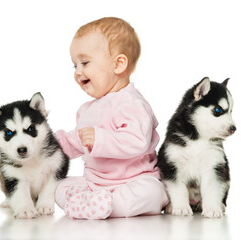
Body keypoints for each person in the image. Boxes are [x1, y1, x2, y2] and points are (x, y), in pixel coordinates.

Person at [55, 17, 169, 220]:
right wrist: (51, 144)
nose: (77, 72)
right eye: (74, 66)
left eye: (85, 62)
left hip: (133, 180)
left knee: (154, 192)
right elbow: (76, 140)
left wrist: (100, 139)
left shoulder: (132, 103)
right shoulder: (87, 109)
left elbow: (137, 141)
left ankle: (106, 205)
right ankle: (91, 202)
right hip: (94, 183)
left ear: (118, 64)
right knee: (60, 188)